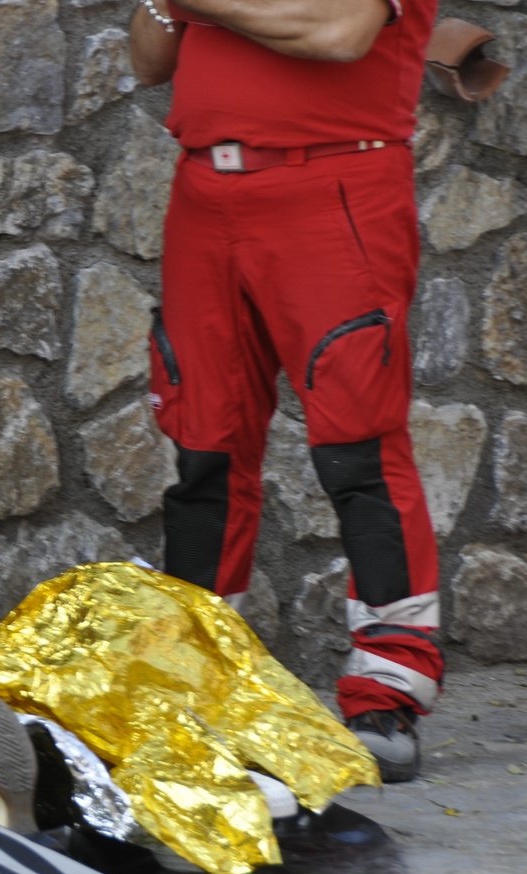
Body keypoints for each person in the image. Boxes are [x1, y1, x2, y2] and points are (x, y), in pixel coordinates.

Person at [127, 0, 443, 781]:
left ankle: (388, 689)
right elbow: (148, 58)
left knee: (358, 447)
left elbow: (338, 31)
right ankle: (196, 676)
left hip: (337, 186)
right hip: (203, 191)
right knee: (203, 446)